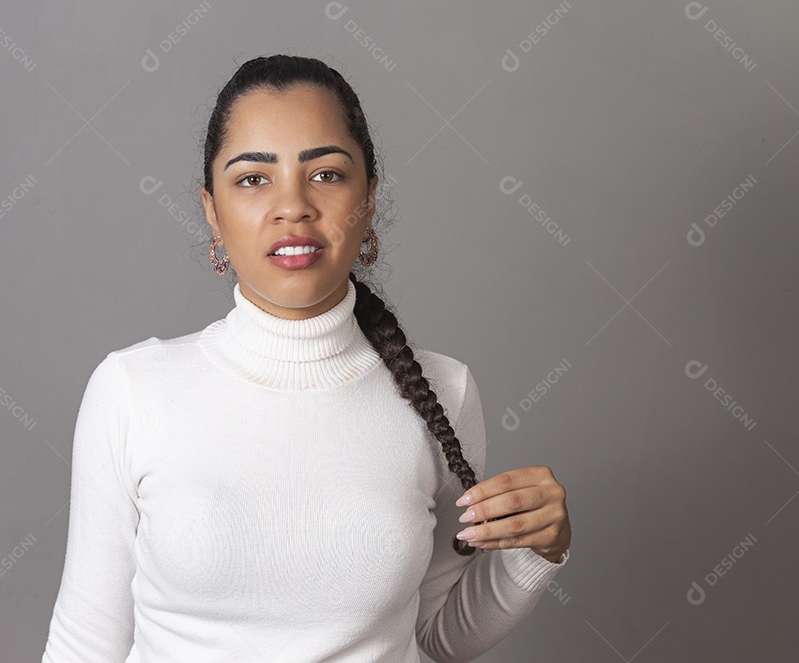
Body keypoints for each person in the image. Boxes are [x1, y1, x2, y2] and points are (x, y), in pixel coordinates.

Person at [40, 54, 571, 663]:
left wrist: (537, 550)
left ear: (369, 199)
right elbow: (86, 644)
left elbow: (433, 639)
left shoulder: (445, 391)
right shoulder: (132, 390)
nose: (292, 206)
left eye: (325, 174)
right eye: (253, 179)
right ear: (212, 211)